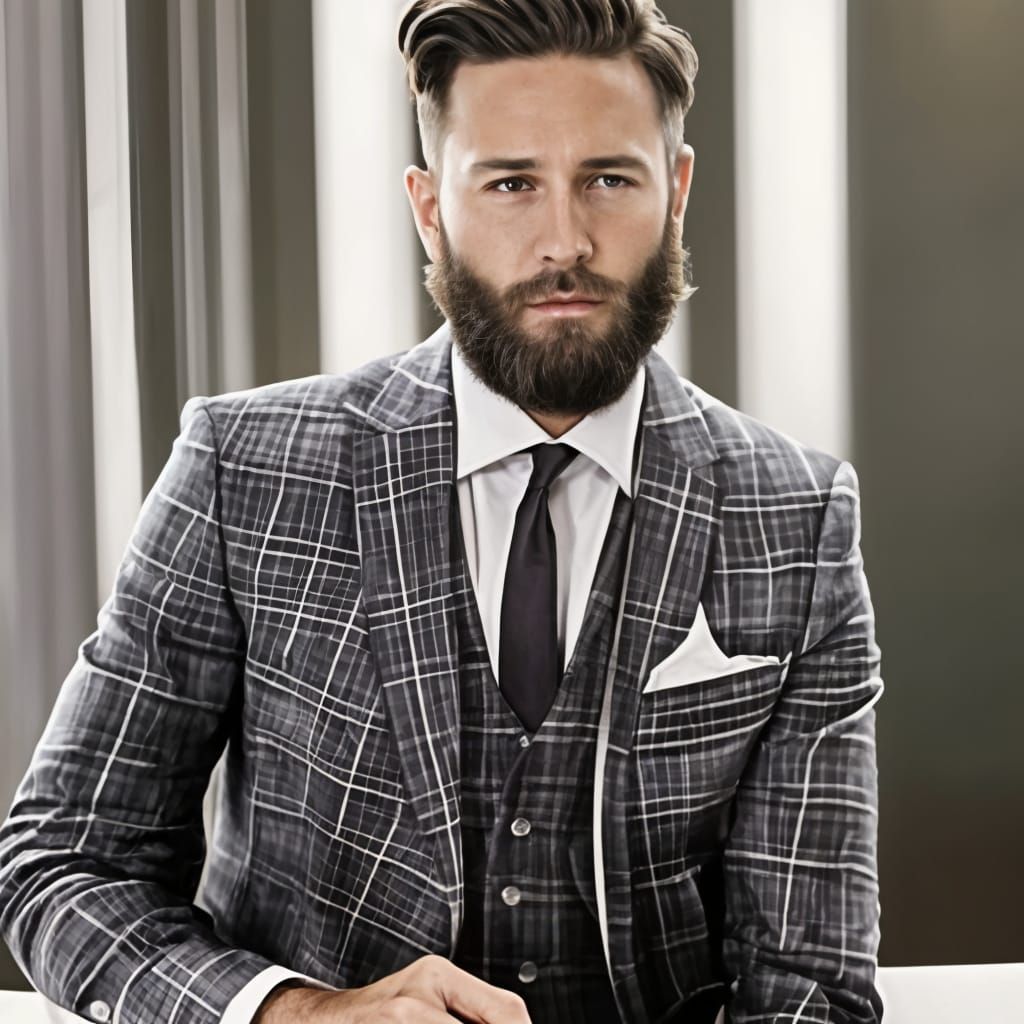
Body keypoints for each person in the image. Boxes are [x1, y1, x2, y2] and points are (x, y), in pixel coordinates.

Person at [0, 1, 884, 1022]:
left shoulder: (798, 516)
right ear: (430, 207)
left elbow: (807, 982)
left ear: (675, 191)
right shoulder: (241, 470)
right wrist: (297, 1014)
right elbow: (65, 860)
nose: (565, 240)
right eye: (510, 183)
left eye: (608, 178)